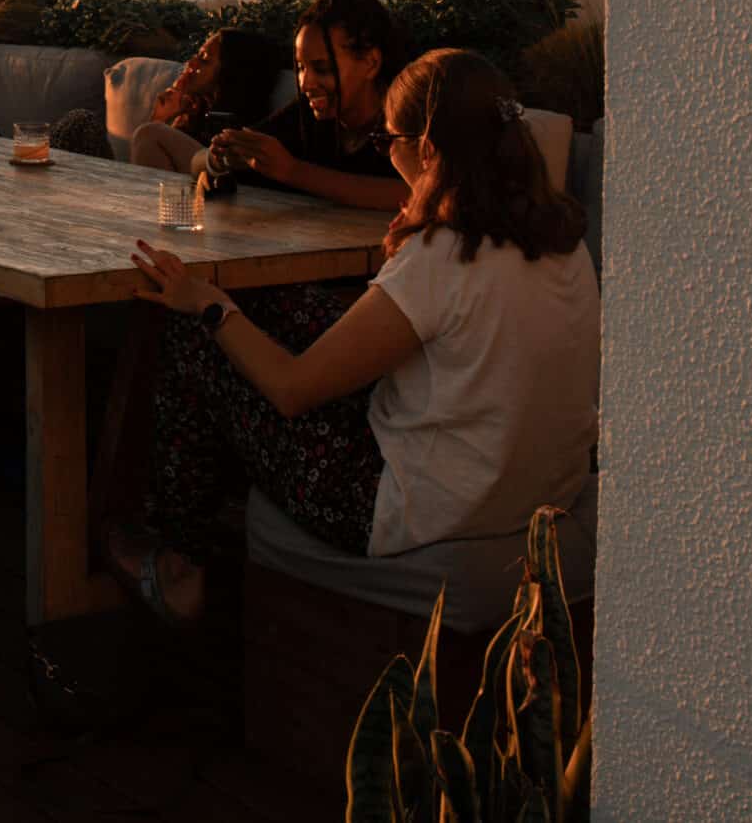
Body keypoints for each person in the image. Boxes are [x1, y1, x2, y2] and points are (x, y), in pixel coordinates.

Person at [106, 48, 599, 622]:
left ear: (430, 151)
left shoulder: (443, 254)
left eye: (388, 142)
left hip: (410, 504)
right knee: (275, 305)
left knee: (198, 333)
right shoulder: (563, 242)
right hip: (525, 482)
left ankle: (179, 568)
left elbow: (292, 389)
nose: (386, 155)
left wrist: (209, 305)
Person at [149, 0, 412, 213]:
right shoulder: (305, 116)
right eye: (300, 68)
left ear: (370, 63)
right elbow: (203, 160)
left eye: (322, 69)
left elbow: (418, 193)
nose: (306, 84)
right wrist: (220, 158)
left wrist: (292, 171)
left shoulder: (407, 121)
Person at [125, 28, 283, 170]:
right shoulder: (194, 113)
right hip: (187, 193)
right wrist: (162, 117)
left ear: (229, 74)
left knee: (149, 133)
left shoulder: (240, 127)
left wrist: (157, 124)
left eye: (204, 60)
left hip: (228, 187)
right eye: (196, 56)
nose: (190, 63)